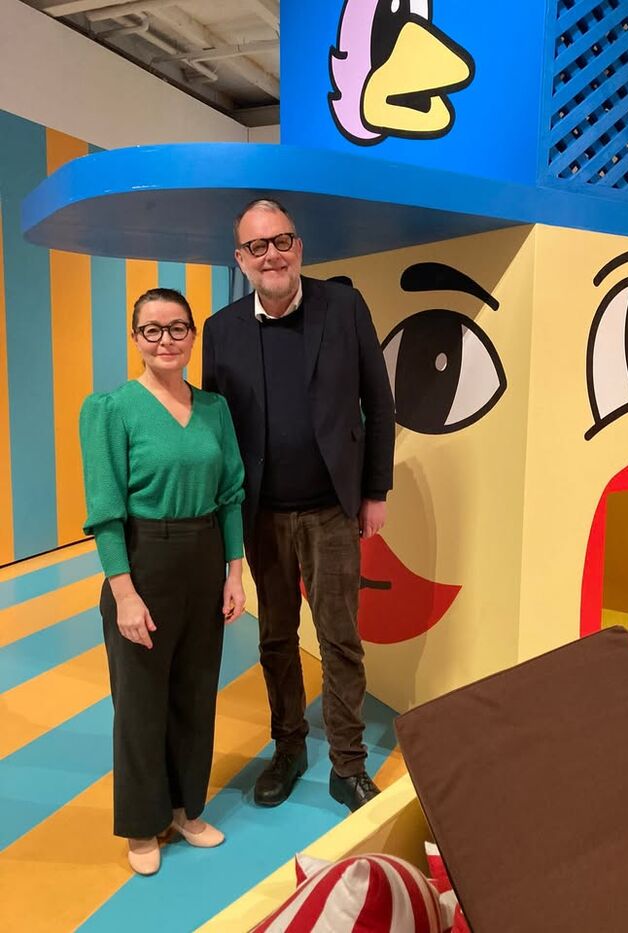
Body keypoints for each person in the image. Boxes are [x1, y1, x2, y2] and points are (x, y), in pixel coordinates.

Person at [202, 198, 395, 812]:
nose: (272, 255)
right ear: (241, 259)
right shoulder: (221, 330)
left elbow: (379, 402)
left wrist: (375, 491)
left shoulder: (344, 307)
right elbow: (217, 432)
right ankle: (288, 747)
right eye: (257, 247)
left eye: (281, 241)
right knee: (277, 639)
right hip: (262, 515)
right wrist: (223, 523)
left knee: (340, 640)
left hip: (333, 509)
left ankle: (348, 764)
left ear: (299, 246)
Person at [79, 287, 246, 876]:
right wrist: (123, 593)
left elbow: (231, 494)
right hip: (143, 558)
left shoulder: (215, 409)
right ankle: (142, 822)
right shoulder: (111, 409)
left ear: (192, 336)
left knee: (195, 694)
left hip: (205, 556)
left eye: (177, 328)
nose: (166, 340)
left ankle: (184, 809)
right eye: (152, 330)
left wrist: (234, 572)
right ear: (135, 338)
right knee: (141, 700)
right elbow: (105, 510)